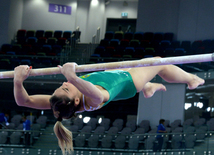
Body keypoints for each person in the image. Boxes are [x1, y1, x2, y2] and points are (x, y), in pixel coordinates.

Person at [13, 60, 204, 155]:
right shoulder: (92, 100)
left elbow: (25, 101)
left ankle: (148, 87)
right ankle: (191, 79)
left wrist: (18, 81)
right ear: (77, 101)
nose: (65, 83)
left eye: (62, 85)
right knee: (160, 63)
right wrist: (72, 77)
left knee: (145, 72)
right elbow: (96, 93)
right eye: (65, 87)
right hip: (128, 82)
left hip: (113, 75)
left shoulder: (60, 103)